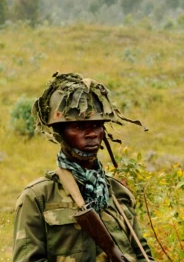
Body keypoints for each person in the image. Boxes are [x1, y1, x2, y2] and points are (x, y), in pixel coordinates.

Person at [13, 72, 154, 262]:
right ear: (60, 132)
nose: (91, 134)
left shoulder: (118, 193)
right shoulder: (38, 197)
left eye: (97, 125)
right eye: (79, 127)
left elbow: (143, 255)